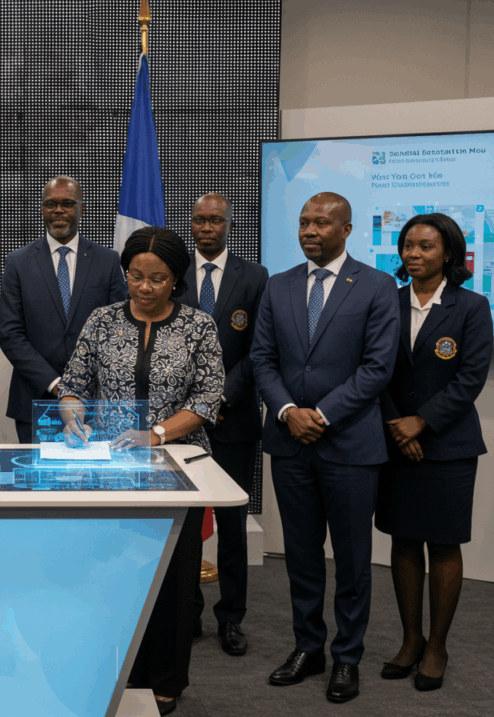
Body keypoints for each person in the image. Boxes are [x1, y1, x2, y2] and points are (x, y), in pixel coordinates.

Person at [59, 227, 224, 715]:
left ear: (176, 280)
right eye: (136, 276)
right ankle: (114, 668)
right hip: (111, 471)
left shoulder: (199, 326)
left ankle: (165, 678)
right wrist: (71, 413)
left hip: (177, 469)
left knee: (172, 579)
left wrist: (156, 434)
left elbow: (207, 397)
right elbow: (74, 382)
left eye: (158, 279)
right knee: (111, 573)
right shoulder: (102, 320)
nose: (145, 287)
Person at [250, 192, 399, 703]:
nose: (309, 230)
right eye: (303, 222)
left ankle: (347, 657)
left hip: (351, 445)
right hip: (290, 443)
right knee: (302, 555)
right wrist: (290, 412)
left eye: (321, 222)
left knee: (354, 559)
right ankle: (307, 647)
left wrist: (324, 414)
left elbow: (378, 368)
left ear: (348, 229)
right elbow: (262, 359)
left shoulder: (378, 286)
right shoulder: (278, 285)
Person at [374, 213, 493, 691]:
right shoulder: (388, 302)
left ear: (449, 253)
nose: (414, 254)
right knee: (403, 542)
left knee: (443, 545)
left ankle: (437, 646)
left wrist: (421, 423)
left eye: (425, 246)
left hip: (448, 447)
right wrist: (398, 427)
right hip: (394, 443)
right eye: (407, 246)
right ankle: (410, 639)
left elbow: (471, 378)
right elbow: (374, 368)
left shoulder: (471, 306)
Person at [179, 193, 268, 655]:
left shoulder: (254, 277)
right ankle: (187, 612)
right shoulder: (172, 274)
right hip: (180, 422)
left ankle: (231, 617)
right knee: (186, 524)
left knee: (233, 524)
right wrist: (193, 405)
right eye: (199, 219)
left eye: (215, 220)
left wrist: (216, 397)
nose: (206, 227)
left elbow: (259, 349)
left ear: (231, 224)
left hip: (233, 417)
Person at [0, 175, 128, 443]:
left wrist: (81, 384)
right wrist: (58, 385)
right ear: (42, 209)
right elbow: (11, 335)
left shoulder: (107, 260)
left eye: (67, 203)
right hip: (37, 399)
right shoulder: (18, 262)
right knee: (39, 482)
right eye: (51, 204)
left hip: (95, 400)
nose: (58, 210)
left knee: (92, 482)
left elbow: (120, 329)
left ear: (81, 208)